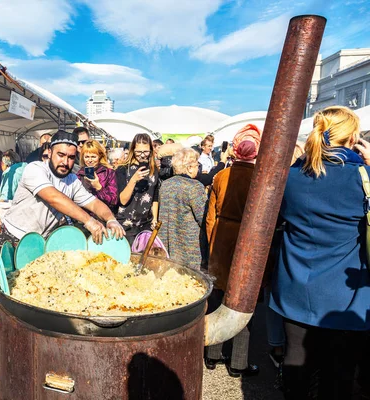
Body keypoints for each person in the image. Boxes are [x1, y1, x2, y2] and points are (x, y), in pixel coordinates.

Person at [0, 130, 125, 374]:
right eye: (61, 155)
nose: (66, 162)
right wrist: (90, 222)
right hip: (13, 238)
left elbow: (93, 203)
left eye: (72, 157)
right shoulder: (34, 170)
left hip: (40, 246)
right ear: (49, 152)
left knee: (31, 298)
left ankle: (23, 347)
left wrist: (110, 219)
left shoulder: (72, 180)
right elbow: (53, 198)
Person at [270, 106, 370, 399]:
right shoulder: (361, 177)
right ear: (353, 138)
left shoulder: (291, 177)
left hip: (295, 283)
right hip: (344, 293)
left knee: (296, 362)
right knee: (338, 374)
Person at [204, 124, 263, 378]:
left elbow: (209, 217)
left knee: (218, 297)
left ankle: (212, 356)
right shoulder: (261, 179)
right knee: (242, 300)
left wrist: (213, 242)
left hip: (222, 237)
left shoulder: (221, 176)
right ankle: (238, 362)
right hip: (248, 240)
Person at [158, 148, 206, 271]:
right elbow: (203, 219)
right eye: (197, 164)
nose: (198, 168)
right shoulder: (195, 187)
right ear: (189, 167)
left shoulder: (165, 184)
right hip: (188, 248)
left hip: (167, 245)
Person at [115, 133, 160, 244]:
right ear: (132, 150)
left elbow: (154, 197)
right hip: (126, 225)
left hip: (145, 224)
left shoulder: (154, 170)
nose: (143, 155)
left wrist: (154, 218)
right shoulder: (123, 170)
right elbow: (122, 200)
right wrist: (133, 180)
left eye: (146, 151)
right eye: (139, 152)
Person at [76, 140, 118, 211]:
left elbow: (114, 200)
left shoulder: (108, 173)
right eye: (86, 157)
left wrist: (98, 187)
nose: (90, 160)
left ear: (99, 156)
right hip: (85, 217)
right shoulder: (79, 175)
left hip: (104, 215)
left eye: (93, 156)